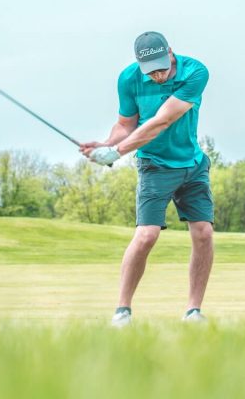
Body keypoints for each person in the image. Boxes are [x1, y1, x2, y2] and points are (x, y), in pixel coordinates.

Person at [80, 31, 214, 327]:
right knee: (146, 235)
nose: (157, 74)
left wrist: (117, 152)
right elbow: (125, 125)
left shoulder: (196, 72)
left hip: (192, 163)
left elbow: (162, 120)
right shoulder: (128, 79)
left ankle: (193, 311)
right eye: (150, 70)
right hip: (154, 165)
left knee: (203, 232)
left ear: (170, 52)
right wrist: (106, 145)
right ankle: (122, 311)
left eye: (161, 67)